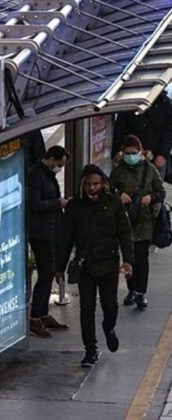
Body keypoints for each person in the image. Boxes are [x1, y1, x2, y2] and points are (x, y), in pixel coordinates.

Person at [57, 164, 134, 367]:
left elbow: (124, 233)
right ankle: (90, 350)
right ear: (83, 185)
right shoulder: (74, 208)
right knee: (86, 309)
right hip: (86, 266)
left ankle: (109, 328)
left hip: (109, 264)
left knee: (110, 306)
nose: (93, 188)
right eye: (90, 184)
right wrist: (59, 268)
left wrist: (128, 260)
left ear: (103, 184)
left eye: (97, 184)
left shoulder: (113, 203)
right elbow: (66, 239)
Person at [110, 135, 166, 309]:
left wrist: (151, 196)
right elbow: (108, 190)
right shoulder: (118, 171)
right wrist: (119, 195)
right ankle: (132, 289)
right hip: (125, 221)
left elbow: (161, 191)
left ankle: (141, 292)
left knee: (142, 257)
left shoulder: (150, 170)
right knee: (129, 257)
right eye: (127, 153)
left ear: (141, 152)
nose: (130, 156)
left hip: (144, 221)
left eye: (134, 153)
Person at [27, 146, 70, 338]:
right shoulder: (36, 175)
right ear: (51, 159)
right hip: (40, 233)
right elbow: (33, 204)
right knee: (45, 273)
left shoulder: (46, 174)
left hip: (50, 230)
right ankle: (35, 316)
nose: (59, 168)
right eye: (59, 164)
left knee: (49, 272)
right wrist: (57, 203)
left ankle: (42, 313)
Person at [113, 93, 172, 180]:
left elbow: (168, 131)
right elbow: (119, 130)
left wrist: (162, 154)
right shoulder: (129, 103)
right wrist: (116, 153)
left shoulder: (164, 103)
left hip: (155, 156)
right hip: (131, 157)